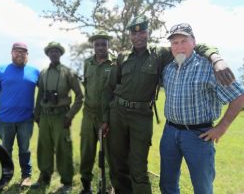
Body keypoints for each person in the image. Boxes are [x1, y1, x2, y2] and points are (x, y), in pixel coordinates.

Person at [101, 15, 235, 194]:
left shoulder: (161, 54)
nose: (138, 37)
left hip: (143, 117)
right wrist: (105, 119)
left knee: (138, 165)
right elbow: (109, 88)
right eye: (134, 33)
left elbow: (198, 46)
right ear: (131, 35)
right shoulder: (123, 57)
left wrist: (216, 58)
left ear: (148, 33)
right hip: (120, 114)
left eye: (142, 33)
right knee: (117, 163)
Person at [159, 23, 244, 194]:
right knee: (167, 184)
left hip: (198, 136)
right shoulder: (168, 69)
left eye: (184, 41)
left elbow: (239, 97)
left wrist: (221, 127)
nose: (179, 46)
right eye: (175, 43)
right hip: (169, 132)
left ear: (194, 42)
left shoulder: (208, 68)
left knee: (202, 187)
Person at [32, 42, 84, 193]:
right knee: (44, 147)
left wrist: (70, 115)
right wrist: (37, 114)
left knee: (63, 148)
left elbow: (80, 97)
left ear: (60, 54)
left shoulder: (68, 73)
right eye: (51, 51)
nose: (54, 53)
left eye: (56, 51)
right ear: (48, 54)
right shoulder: (43, 73)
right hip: (45, 116)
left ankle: (67, 181)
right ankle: (45, 176)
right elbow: (40, 95)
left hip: (62, 116)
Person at [0, 42, 39, 187]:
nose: (20, 54)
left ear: (27, 55)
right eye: (17, 51)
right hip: (5, 120)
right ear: (11, 53)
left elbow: (45, 91)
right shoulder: (2, 70)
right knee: (5, 150)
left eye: (23, 52)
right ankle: (4, 178)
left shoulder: (34, 72)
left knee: (24, 149)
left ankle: (26, 177)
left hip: (26, 119)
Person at [79, 30, 115, 194]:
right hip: (88, 115)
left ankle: (108, 187)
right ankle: (86, 186)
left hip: (108, 117)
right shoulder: (88, 63)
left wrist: (107, 118)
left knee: (109, 154)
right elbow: (86, 86)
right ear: (93, 46)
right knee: (86, 151)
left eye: (103, 44)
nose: (100, 47)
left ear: (108, 45)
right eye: (97, 44)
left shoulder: (114, 64)